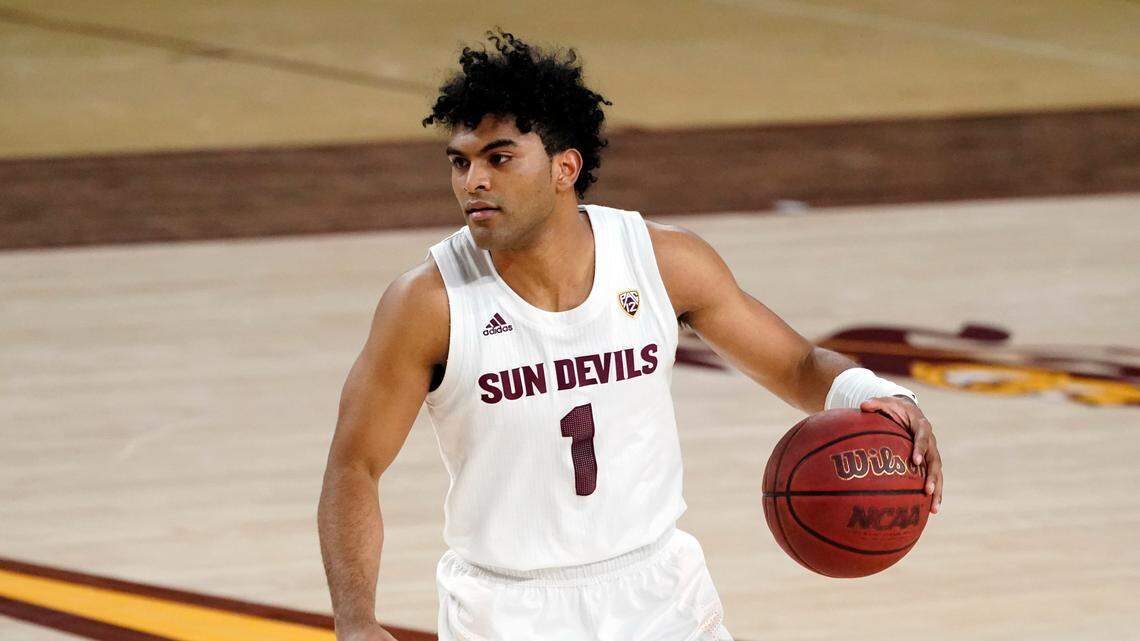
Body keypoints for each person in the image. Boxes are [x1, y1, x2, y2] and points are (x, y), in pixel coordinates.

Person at [317, 29, 943, 641]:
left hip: (658, 593)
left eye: (499, 158)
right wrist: (356, 620)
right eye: (461, 161)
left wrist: (880, 395)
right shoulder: (427, 302)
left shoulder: (662, 261)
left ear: (565, 168)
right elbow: (355, 465)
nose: (472, 181)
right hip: (506, 610)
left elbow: (799, 366)